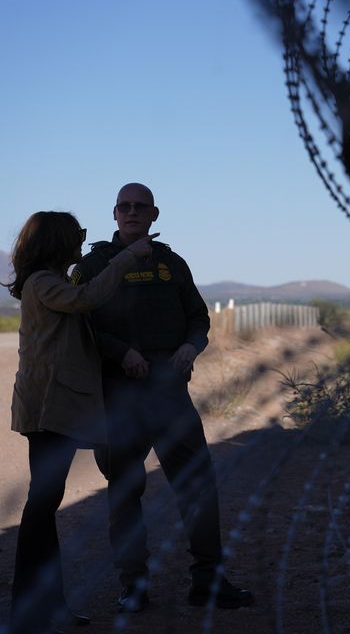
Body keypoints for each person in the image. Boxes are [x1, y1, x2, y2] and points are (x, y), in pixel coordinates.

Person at [71, 182, 253, 612]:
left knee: (198, 487)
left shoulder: (172, 263)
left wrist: (193, 345)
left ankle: (208, 580)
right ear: (114, 214)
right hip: (118, 397)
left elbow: (198, 317)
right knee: (124, 493)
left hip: (170, 395)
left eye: (141, 207)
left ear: (154, 215)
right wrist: (121, 352)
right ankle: (133, 586)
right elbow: (81, 326)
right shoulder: (92, 265)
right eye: (124, 207)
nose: (132, 213)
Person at [4, 211, 156, 634]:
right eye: (78, 236)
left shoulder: (49, 281)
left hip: (57, 410)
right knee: (41, 508)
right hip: (50, 410)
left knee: (43, 507)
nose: (82, 242)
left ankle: (44, 607)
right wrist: (126, 259)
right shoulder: (42, 283)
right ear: (58, 242)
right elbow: (87, 298)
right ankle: (29, 610)